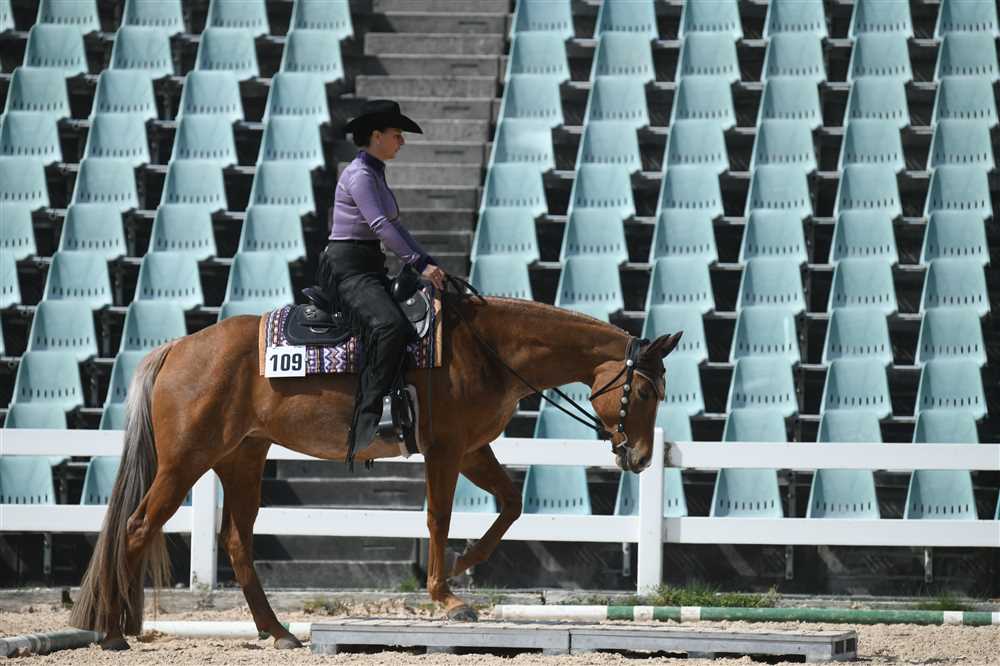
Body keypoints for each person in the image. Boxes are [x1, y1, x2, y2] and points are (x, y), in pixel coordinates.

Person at [318, 99, 447, 464]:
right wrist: (418, 263)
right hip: (348, 269)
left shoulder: (374, 172)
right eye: (397, 134)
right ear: (376, 136)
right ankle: (369, 418)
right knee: (389, 326)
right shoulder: (360, 175)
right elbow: (380, 226)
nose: (401, 141)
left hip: (369, 265)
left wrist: (428, 261)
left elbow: (396, 227)